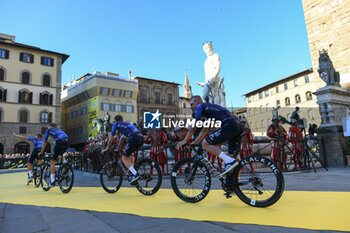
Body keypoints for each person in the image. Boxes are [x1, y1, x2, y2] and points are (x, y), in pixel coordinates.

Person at [177, 95, 242, 175]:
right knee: (233, 157)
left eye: (191, 104)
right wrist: (195, 142)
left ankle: (229, 161)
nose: (191, 107)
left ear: (197, 101)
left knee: (205, 144)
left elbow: (193, 126)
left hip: (228, 124)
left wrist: (184, 141)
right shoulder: (209, 110)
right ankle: (235, 183)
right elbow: (205, 130)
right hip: (237, 125)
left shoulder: (200, 106)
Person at [102, 115, 144, 185]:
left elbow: (111, 138)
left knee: (124, 158)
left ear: (115, 121)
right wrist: (118, 148)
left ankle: (135, 174)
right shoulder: (127, 124)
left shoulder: (116, 124)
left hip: (133, 138)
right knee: (130, 154)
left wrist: (106, 148)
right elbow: (123, 138)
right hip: (141, 137)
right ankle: (132, 171)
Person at [39, 123, 69, 187]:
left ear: (50, 126)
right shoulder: (60, 130)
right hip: (67, 141)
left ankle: (52, 182)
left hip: (59, 142)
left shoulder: (49, 130)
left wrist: (41, 152)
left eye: (48, 126)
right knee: (60, 154)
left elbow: (45, 143)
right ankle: (65, 163)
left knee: (52, 162)